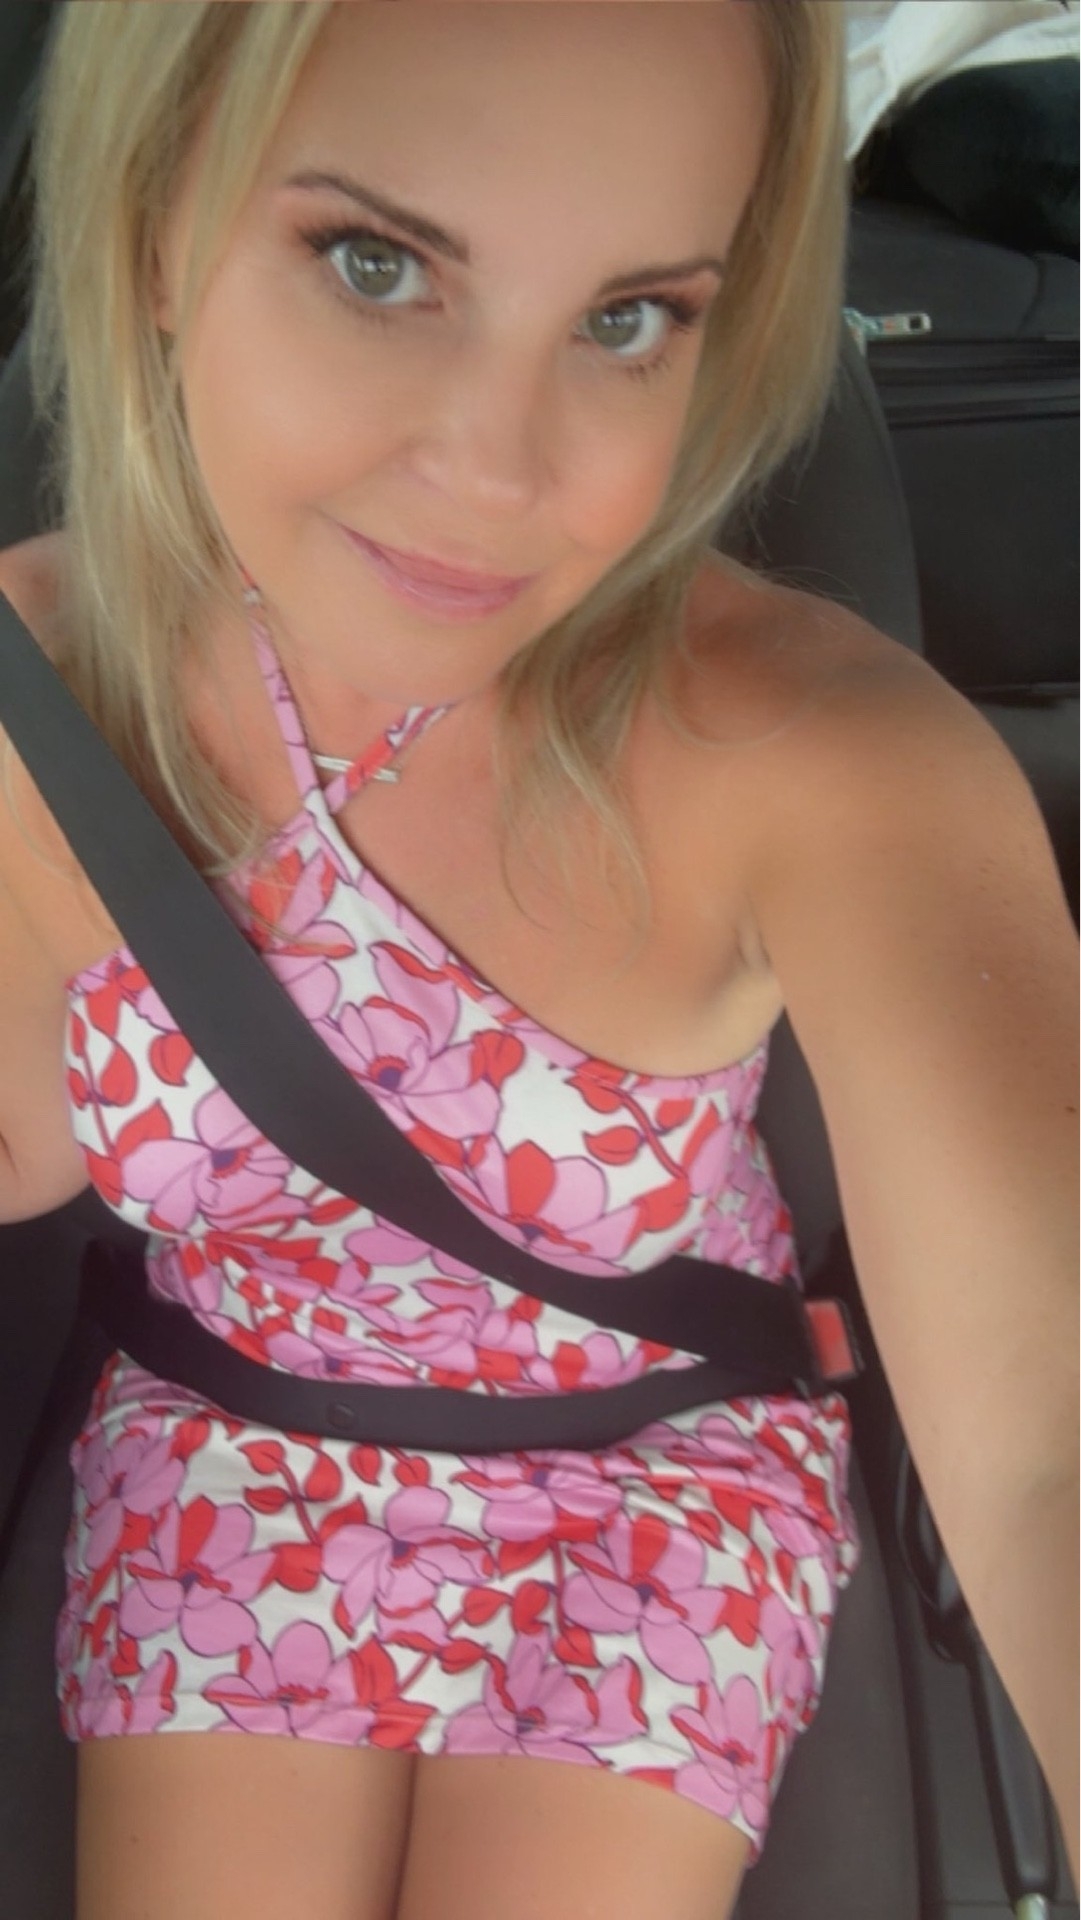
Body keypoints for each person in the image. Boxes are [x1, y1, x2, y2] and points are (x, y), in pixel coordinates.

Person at [0, 5, 1075, 1917]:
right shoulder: (38, 703)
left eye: (626, 315)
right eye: (375, 263)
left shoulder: (814, 751)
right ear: (157, 227)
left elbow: (1047, 1448)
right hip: (236, 1442)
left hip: (656, 1471)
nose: (502, 473)